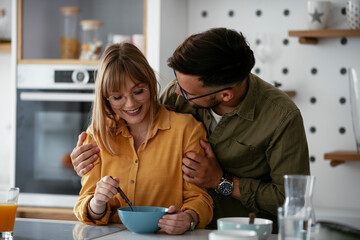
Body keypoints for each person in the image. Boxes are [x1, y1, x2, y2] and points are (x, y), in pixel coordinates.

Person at [71, 28, 310, 231]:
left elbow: (292, 200)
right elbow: (144, 130)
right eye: (176, 81)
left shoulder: (281, 117)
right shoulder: (178, 94)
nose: (176, 93)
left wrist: (221, 181)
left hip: (247, 230)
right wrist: (85, 160)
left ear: (225, 94)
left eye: (187, 92)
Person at [73, 42, 213, 235]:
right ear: (105, 98)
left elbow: (200, 198)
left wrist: (188, 219)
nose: (131, 104)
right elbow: (84, 204)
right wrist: (97, 202)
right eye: (117, 97)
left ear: (150, 84)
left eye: (138, 91)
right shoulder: (97, 135)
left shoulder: (186, 129)